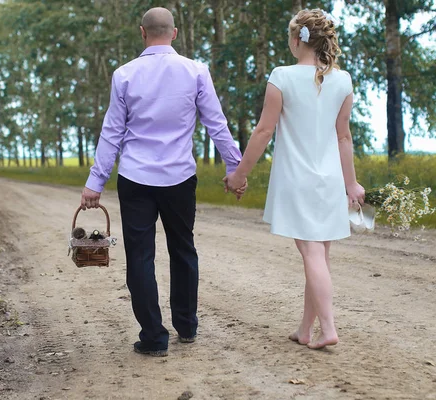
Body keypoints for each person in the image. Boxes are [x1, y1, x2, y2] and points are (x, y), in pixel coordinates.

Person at [81, 7, 245, 357]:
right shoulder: (195, 71)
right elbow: (216, 123)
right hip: (179, 178)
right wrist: (235, 169)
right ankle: (186, 327)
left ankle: (154, 338)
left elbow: (112, 133)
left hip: (136, 178)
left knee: (140, 257)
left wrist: (95, 182)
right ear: (173, 33)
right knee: (183, 250)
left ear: (143, 33)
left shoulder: (124, 75)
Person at [224, 9, 365, 349]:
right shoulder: (342, 80)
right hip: (330, 180)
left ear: (296, 40)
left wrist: (239, 173)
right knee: (319, 255)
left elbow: (264, 131)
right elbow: (343, 137)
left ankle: (328, 328)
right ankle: (305, 329)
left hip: (298, 180)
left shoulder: (282, 76)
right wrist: (352, 184)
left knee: (312, 254)